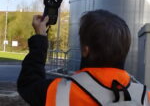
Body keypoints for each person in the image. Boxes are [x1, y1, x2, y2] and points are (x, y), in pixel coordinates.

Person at [17, 10, 150, 106]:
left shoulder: (60, 91)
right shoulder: (145, 97)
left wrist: (40, 38)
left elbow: (28, 83)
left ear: (86, 50)